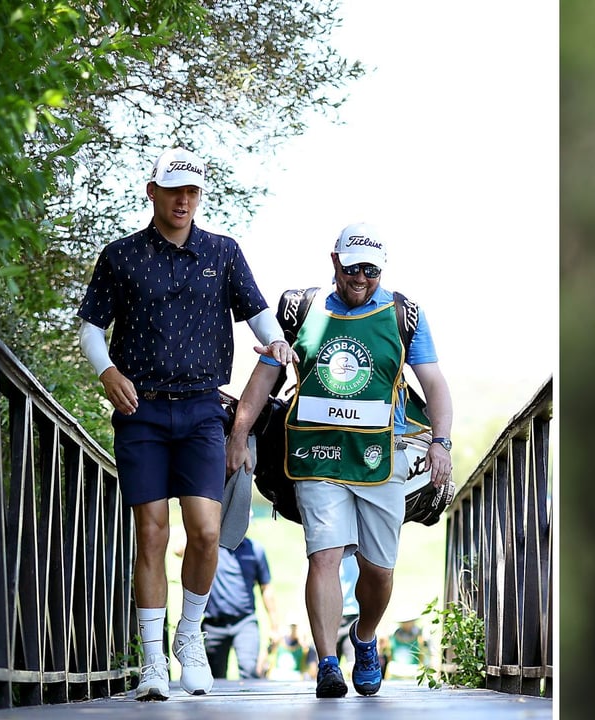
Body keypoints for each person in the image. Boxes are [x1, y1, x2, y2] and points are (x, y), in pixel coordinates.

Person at [77, 147, 296, 701]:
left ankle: (188, 637)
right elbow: (90, 329)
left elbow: (262, 318)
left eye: (193, 191)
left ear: (200, 195)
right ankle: (153, 662)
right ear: (152, 191)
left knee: (205, 532)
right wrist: (106, 371)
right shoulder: (121, 256)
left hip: (203, 410)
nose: (184, 200)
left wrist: (275, 344)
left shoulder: (222, 253)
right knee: (151, 532)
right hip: (140, 410)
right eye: (174, 190)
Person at [225, 222, 454, 700]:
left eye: (371, 270)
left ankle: (365, 638)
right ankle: (328, 664)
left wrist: (441, 442)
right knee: (324, 556)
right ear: (335, 262)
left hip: (380, 460)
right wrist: (240, 435)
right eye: (353, 268)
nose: (362, 278)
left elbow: (433, 384)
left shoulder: (403, 313)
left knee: (379, 570)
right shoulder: (299, 309)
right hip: (315, 457)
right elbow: (264, 375)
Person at [201, 536, 280, 680]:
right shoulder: (211, 545)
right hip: (213, 625)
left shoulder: (255, 549)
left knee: (250, 671)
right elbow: (180, 549)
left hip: (245, 622)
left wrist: (274, 626)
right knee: (213, 679)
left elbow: (266, 587)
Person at [333, 553, 361, 665]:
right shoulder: (324, 553)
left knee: (353, 664)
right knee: (328, 665)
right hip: (330, 618)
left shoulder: (360, 556)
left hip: (355, 617)